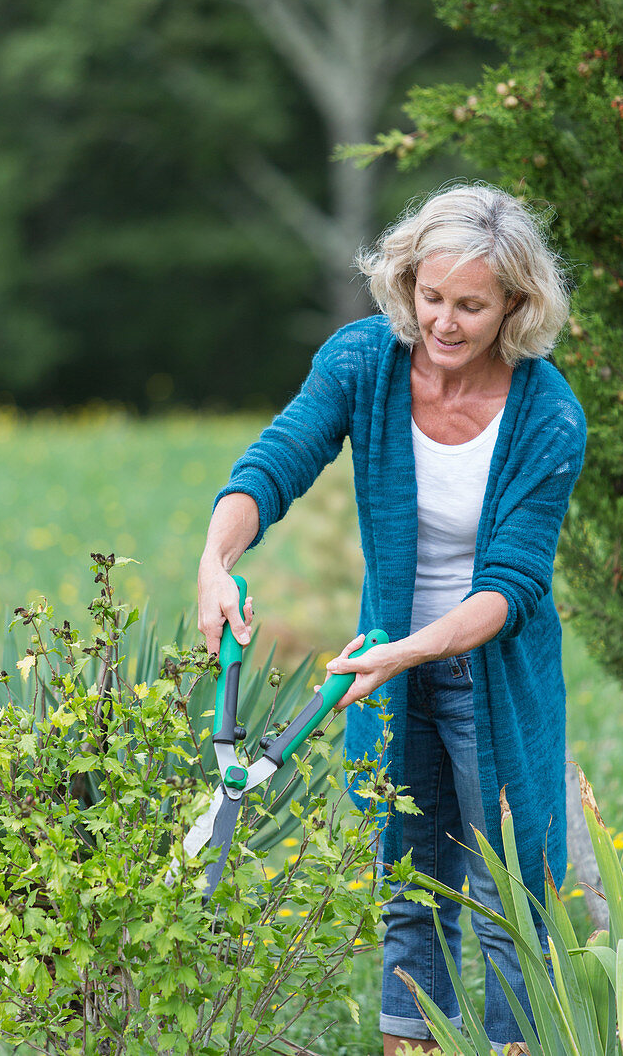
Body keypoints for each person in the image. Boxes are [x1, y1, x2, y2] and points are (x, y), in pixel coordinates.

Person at [197, 183, 586, 1056]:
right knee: (408, 884)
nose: (443, 322)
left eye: (471, 306)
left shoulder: (547, 414)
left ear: (515, 307)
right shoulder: (364, 362)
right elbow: (276, 462)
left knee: (508, 901)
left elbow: (509, 587)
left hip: (490, 674)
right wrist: (214, 562)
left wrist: (407, 649)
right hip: (393, 665)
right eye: (430, 295)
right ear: (407, 280)